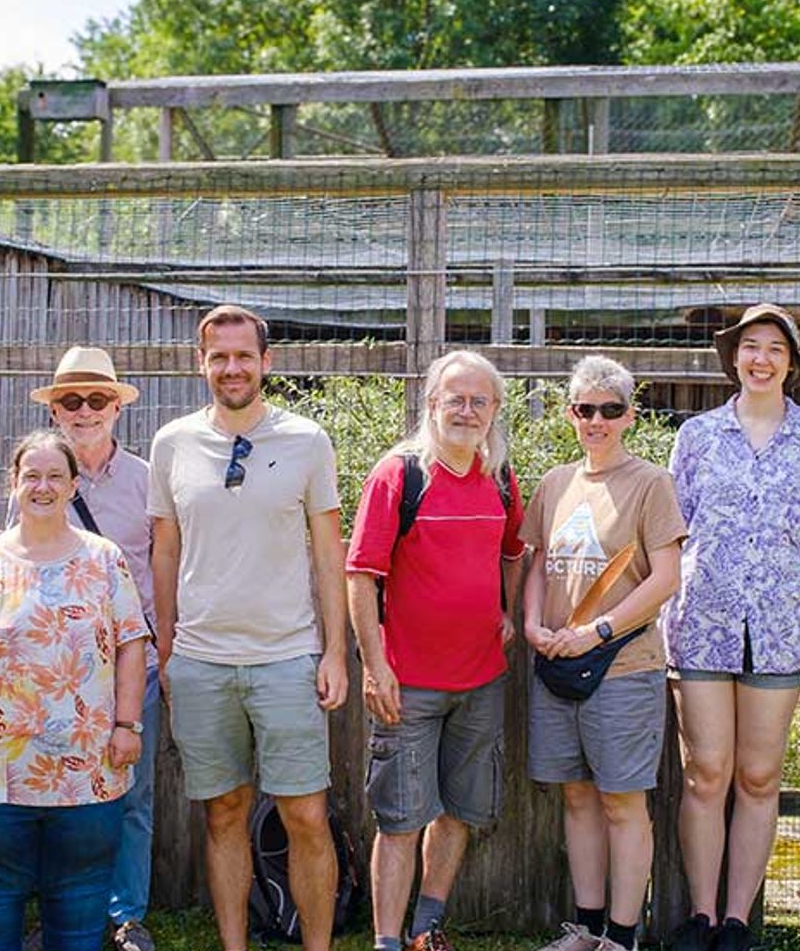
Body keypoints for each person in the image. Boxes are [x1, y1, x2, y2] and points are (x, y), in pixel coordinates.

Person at [657, 305, 800, 951]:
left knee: (758, 776)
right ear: (734, 358)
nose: (761, 359)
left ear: (791, 363)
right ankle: (700, 915)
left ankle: (740, 920)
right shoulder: (698, 435)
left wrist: (797, 530)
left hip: (776, 624)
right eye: (750, 347)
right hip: (702, 623)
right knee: (706, 772)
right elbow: (673, 520)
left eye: (775, 349)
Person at [148, 304, 349, 951]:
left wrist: (334, 653)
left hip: (287, 657)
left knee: (306, 816)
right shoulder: (172, 443)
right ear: (200, 362)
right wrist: (169, 650)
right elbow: (165, 551)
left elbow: (327, 553)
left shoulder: (307, 441)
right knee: (224, 812)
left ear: (267, 362)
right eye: (218, 356)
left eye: (243, 356)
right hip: (202, 662)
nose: (231, 368)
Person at [0, 429, 148, 951]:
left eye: (56, 476)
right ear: (14, 483)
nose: (43, 486)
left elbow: (131, 645)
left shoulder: (105, 560)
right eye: (32, 475)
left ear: (74, 486)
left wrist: (127, 724)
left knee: (78, 903)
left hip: (88, 770)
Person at [345, 350, 526, 951]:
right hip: (409, 683)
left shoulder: (499, 475)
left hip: (480, 680)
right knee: (399, 821)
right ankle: (387, 940)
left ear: (495, 409)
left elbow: (511, 551)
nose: (467, 411)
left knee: (458, 813)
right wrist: (374, 666)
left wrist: (509, 609)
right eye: (455, 399)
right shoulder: (399, 475)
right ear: (431, 404)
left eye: (479, 401)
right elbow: (361, 575)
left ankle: (427, 929)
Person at [521, 356, 687, 951]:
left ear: (629, 417)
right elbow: (538, 560)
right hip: (557, 662)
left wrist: (600, 630)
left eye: (610, 410)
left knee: (621, 799)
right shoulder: (555, 483)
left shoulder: (650, 484)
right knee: (576, 794)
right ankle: (586, 930)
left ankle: (622, 935)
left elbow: (665, 577)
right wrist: (532, 621)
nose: (597, 420)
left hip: (623, 666)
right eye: (585, 409)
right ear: (570, 414)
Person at [30, 347, 160, 951]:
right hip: (58, 671)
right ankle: (61, 916)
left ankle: (126, 917)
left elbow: (165, 567)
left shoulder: (147, 480)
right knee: (56, 796)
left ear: (116, 407)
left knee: (132, 796)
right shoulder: (36, 482)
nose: (85, 411)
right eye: (71, 401)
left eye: (97, 400)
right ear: (56, 410)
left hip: (139, 664)